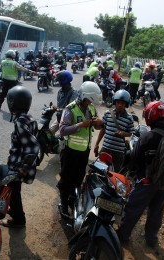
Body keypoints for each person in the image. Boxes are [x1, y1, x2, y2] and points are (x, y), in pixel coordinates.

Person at [117, 101, 164, 247]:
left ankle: (123, 236)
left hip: (146, 182)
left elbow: (133, 159)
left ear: (149, 117)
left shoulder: (148, 137)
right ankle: (151, 239)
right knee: (156, 211)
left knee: (133, 208)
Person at [57, 81, 103, 218]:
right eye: (89, 100)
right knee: (66, 179)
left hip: (84, 152)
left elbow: (97, 127)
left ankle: (73, 199)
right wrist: (80, 125)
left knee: (79, 178)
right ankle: (63, 204)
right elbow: (62, 130)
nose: (90, 103)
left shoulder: (91, 109)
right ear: (83, 96)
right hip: (70, 152)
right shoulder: (70, 109)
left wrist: (99, 123)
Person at [0, 86, 40, 228]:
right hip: (20, 163)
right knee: (13, 190)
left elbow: (33, 146)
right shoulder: (29, 118)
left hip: (19, 165)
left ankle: (18, 220)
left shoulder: (20, 122)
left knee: (13, 192)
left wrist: (24, 167)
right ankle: (15, 212)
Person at [94, 90, 134, 172]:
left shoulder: (129, 118)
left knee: (114, 175)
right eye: (118, 102)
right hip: (106, 148)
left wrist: (123, 134)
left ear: (126, 104)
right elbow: (103, 129)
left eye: (122, 103)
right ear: (114, 102)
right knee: (98, 171)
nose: (119, 105)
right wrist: (97, 144)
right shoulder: (108, 113)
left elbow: (130, 133)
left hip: (118, 153)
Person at [49, 71, 78, 136]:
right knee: (49, 133)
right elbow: (59, 106)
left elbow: (70, 109)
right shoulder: (60, 91)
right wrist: (53, 108)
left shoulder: (73, 92)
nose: (59, 82)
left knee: (63, 137)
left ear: (65, 81)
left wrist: (58, 109)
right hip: (60, 117)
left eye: (60, 81)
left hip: (69, 120)